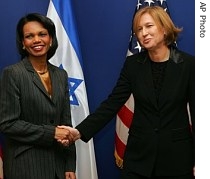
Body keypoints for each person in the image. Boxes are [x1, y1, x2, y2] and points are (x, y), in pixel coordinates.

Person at [61, 6, 195, 179]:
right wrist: (79, 132)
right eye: (139, 29)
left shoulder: (189, 65)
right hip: (138, 159)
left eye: (149, 26)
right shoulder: (133, 65)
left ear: (164, 28)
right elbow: (112, 104)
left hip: (177, 160)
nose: (143, 33)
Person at [0, 13, 76, 179]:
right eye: (29, 36)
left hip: (57, 166)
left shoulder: (61, 75)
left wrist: (70, 164)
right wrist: (52, 133)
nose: (36, 40)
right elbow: (7, 124)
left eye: (42, 34)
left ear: (50, 39)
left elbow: (65, 123)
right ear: (22, 43)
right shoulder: (13, 73)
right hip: (25, 167)